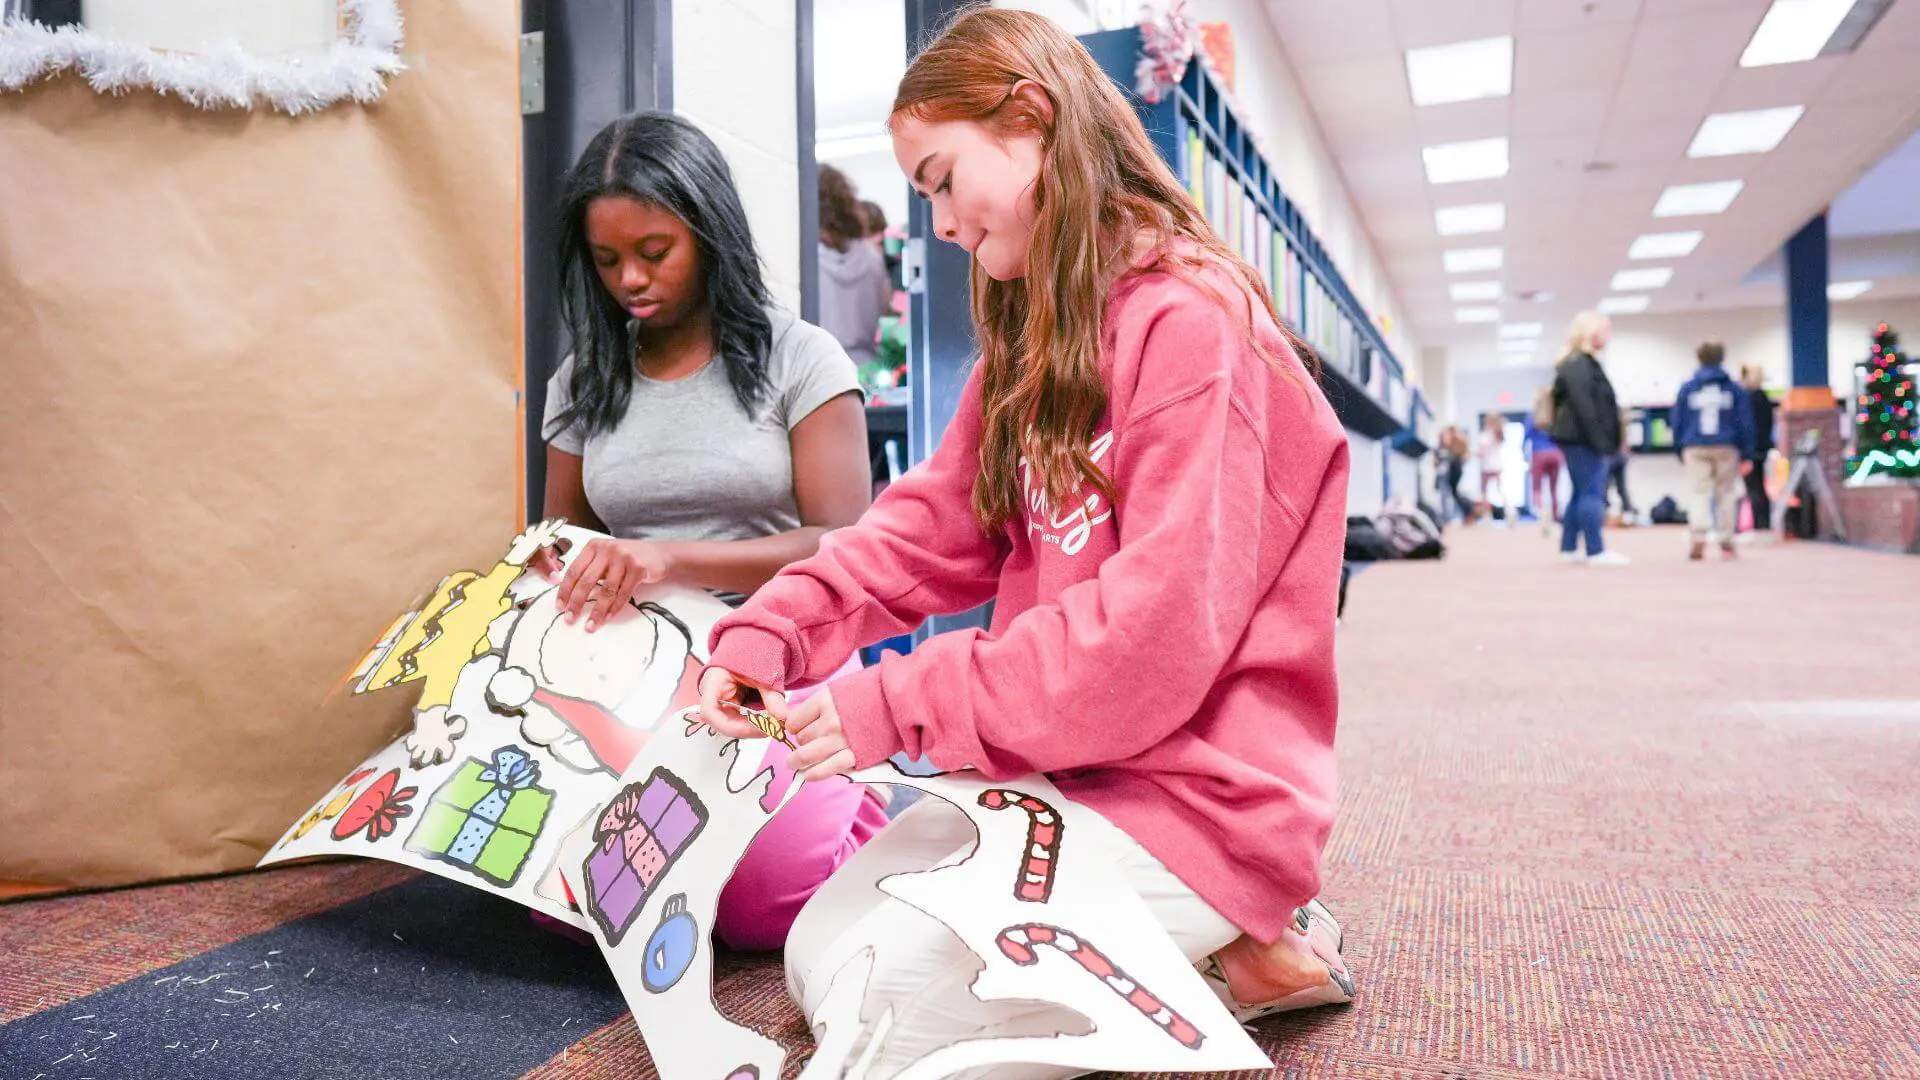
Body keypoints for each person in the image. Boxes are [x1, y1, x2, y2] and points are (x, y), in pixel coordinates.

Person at [697, 9, 1355, 1073]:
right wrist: (773, 631)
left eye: (945, 180)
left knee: (887, 1025)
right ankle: (1229, 952)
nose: (943, 224)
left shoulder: (1192, 323)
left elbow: (1143, 647)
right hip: (1065, 774)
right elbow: (925, 527)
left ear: (1033, 119)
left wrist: (894, 700)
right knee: (822, 952)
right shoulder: (1035, 331)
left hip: (1197, 799)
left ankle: (1239, 921)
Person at [539, 112, 890, 950]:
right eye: (607, 259)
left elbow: (845, 540)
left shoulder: (800, 359)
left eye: (654, 252)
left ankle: (869, 798)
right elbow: (563, 539)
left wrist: (668, 559)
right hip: (640, 664)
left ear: (708, 229)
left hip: (776, 650)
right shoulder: (585, 380)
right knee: (561, 896)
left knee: (765, 907)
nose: (629, 278)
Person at [1549, 311, 1630, 566]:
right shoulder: (1579, 365)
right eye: (1604, 331)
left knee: (1580, 493)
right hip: (1584, 440)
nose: (1608, 337)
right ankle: (1595, 550)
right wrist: (1602, 442)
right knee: (1591, 493)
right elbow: (1587, 408)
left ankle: (1569, 547)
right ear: (1590, 333)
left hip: (1581, 439)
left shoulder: (1581, 363)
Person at [1673, 341, 1755, 560]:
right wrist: (1748, 453)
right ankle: (1726, 541)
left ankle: (1698, 534)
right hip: (1726, 446)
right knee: (1726, 493)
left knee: (1699, 491)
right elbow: (1744, 422)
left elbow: (1677, 420)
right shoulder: (1734, 389)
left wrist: (1679, 448)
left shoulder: (1688, 388)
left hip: (1695, 445)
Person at [817, 164, 894, 372]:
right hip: (865, 369)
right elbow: (885, 306)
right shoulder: (872, 257)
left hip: (822, 371)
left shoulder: (806, 260)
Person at [1740, 363, 1776, 532]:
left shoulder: (1749, 398)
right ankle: (1763, 525)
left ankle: (1760, 527)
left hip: (1752, 450)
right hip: (1761, 449)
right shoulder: (1763, 397)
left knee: (1754, 488)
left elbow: (1748, 426)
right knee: (1759, 487)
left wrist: (1746, 450)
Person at [1527, 388, 1565, 535]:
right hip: (1555, 454)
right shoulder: (1555, 415)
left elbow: (1527, 437)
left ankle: (1543, 515)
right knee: (1553, 489)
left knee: (1537, 488)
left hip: (1539, 454)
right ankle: (1555, 519)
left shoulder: (1532, 416)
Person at [1606, 406, 1638, 523]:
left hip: (1610, 455)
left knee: (1604, 487)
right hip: (1621, 454)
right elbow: (1624, 438)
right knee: (1622, 488)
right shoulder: (1620, 418)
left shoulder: (1605, 419)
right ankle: (1628, 513)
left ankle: (1606, 512)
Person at [1477, 413, 1509, 527]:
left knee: (1485, 493)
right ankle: (1510, 511)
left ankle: (1487, 516)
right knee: (1499, 490)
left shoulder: (1487, 435)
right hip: (1496, 466)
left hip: (1488, 467)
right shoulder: (1498, 434)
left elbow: (1481, 451)